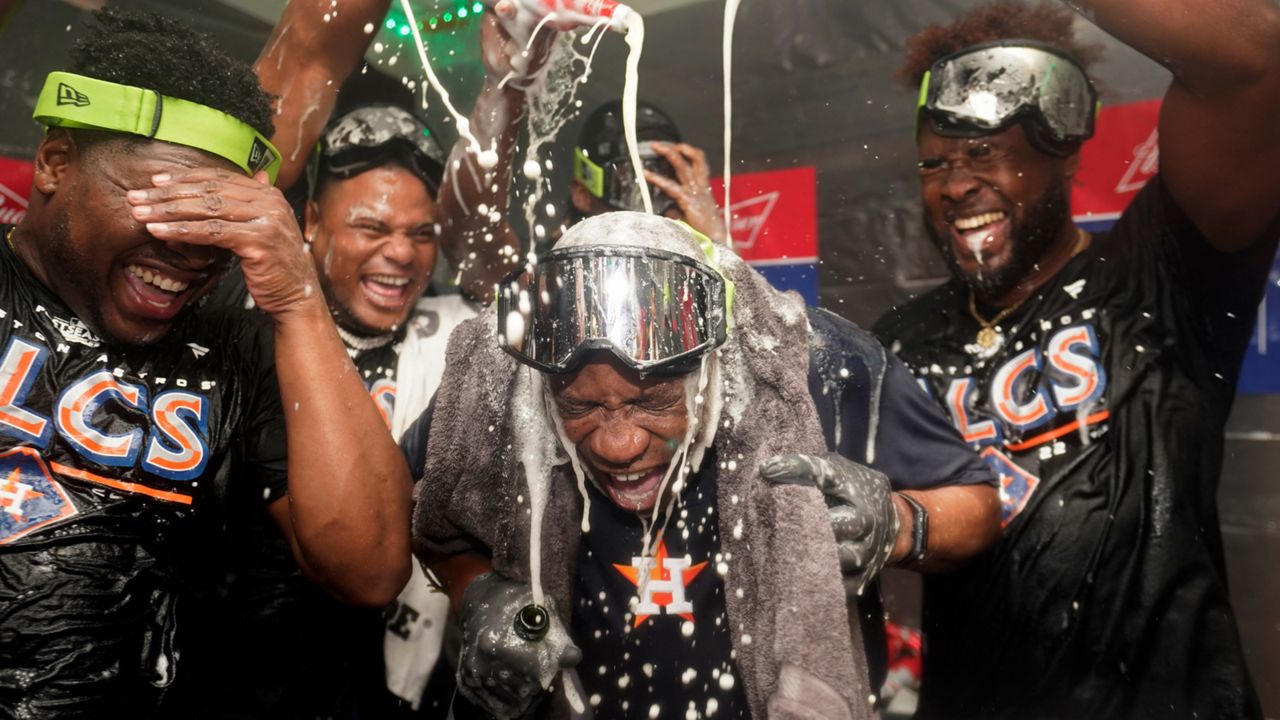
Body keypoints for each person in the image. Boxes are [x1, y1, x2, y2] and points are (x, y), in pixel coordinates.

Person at [408, 212, 998, 719]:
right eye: (581, 407)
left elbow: (977, 507)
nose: (618, 446)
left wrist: (899, 523)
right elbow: (420, 517)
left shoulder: (811, 366)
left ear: (715, 366)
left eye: (652, 401)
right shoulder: (504, 381)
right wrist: (477, 592)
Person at [872, 1, 1280, 717]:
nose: (955, 183)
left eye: (984, 152)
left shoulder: (1162, 277)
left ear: (1059, 151)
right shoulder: (898, 341)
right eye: (935, 162)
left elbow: (1257, 66)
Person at [0, 8, 412, 717]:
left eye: (214, 216)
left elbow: (369, 570)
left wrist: (299, 301)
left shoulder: (236, 340)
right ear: (56, 165)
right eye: (162, 204)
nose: (191, 250)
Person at [169, 1, 574, 717]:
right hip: (225, 681)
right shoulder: (242, 312)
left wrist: (504, 88)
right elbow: (304, 59)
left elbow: (480, 245)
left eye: (420, 233)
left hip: (387, 689)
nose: (400, 252)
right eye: (370, 226)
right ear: (311, 223)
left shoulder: (451, 336)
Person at [567, 99, 727, 243]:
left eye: (670, 188)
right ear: (582, 195)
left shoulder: (687, 258)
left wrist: (715, 239)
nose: (666, 214)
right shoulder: (552, 267)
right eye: (635, 188)